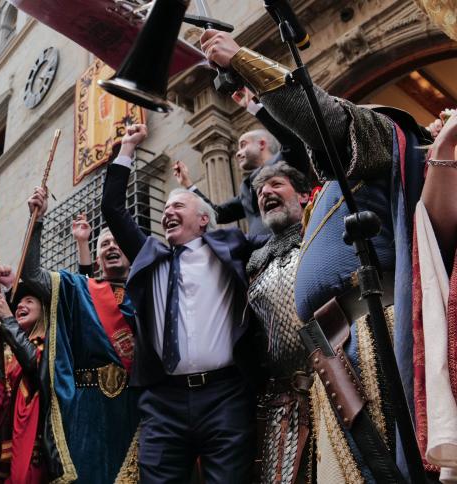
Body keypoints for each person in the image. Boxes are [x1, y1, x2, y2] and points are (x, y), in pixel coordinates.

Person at [202, 28, 457, 482]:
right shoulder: (329, 191)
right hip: (334, 352)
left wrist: (242, 58)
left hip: (373, 335)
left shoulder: (378, 135)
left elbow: (323, 117)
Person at [101, 123, 267, 483]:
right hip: (164, 403)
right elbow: (113, 208)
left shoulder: (232, 246)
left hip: (226, 396)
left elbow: (275, 230)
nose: (167, 212)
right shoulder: (150, 255)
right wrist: (127, 149)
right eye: (164, 209)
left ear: (203, 219)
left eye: (177, 205)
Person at [19, 197, 140, 483]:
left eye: (117, 241)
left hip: (135, 406)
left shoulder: (149, 291)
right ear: (97, 260)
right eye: (104, 244)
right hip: (87, 410)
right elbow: (32, 275)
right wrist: (36, 221)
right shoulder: (78, 288)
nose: (111, 246)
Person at [246, 162, 312, 483]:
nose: (265, 194)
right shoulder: (254, 263)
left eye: (275, 184)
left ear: (301, 195)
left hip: (337, 380)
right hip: (282, 401)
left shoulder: (319, 232)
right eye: (260, 192)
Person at [173, 87, 309, 236]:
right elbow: (219, 214)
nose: (238, 153)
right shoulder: (246, 188)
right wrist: (188, 184)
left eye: (243, 145)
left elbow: (293, 141)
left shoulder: (287, 160)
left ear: (262, 144)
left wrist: (255, 107)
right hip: (261, 253)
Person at [0, 285, 47, 483]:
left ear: (44, 311)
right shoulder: (10, 354)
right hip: (8, 440)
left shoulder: (48, 344)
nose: (21, 304)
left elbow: (34, 365)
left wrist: (7, 319)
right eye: (19, 303)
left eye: (29, 301)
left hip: (34, 445)